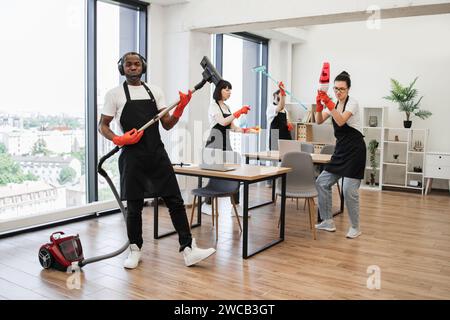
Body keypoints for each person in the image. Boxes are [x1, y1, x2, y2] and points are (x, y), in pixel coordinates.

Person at [98, 52, 216, 269]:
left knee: (175, 201)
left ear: (143, 66)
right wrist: (118, 138)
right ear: (121, 68)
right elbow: (102, 125)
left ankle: (188, 249)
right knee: (134, 206)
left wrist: (180, 108)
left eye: (136, 64)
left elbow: (167, 124)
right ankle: (135, 250)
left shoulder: (155, 92)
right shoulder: (114, 94)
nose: (132, 67)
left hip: (157, 154)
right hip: (132, 156)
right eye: (128, 64)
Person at [314, 71, 366, 239]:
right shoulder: (334, 104)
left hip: (355, 151)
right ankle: (328, 221)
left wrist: (328, 103)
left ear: (348, 89)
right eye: (335, 89)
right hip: (341, 151)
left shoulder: (353, 104)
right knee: (322, 182)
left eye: (342, 89)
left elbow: (341, 120)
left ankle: (355, 227)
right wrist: (319, 105)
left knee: (348, 190)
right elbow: (318, 120)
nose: (338, 92)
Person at [204, 79, 258, 215]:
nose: (229, 92)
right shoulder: (213, 106)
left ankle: (236, 206)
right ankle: (207, 204)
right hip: (214, 141)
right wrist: (238, 112)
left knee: (235, 172)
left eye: (230, 89)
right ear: (219, 91)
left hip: (226, 142)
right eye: (226, 89)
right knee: (214, 174)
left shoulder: (227, 108)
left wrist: (247, 130)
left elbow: (232, 127)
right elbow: (222, 122)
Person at [266, 81, 294, 150]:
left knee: (287, 158)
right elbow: (280, 106)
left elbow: (287, 120)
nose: (282, 96)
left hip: (285, 137)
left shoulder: (285, 110)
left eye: (283, 95)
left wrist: (289, 124)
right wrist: (282, 92)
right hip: (275, 136)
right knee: (275, 158)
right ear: (275, 95)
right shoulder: (271, 107)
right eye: (281, 94)